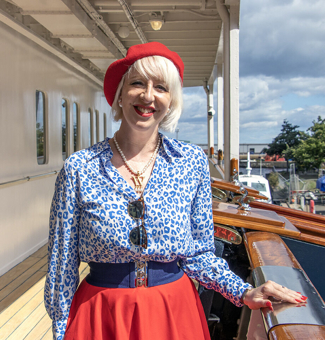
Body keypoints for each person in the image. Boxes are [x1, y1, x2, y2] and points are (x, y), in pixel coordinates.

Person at [44, 42, 306, 340]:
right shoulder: (79, 168)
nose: (148, 95)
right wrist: (60, 331)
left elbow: (199, 253)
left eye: (161, 87)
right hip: (100, 314)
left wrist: (244, 291)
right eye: (137, 83)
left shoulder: (190, 162)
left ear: (171, 100)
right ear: (119, 94)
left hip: (173, 312)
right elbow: (61, 266)